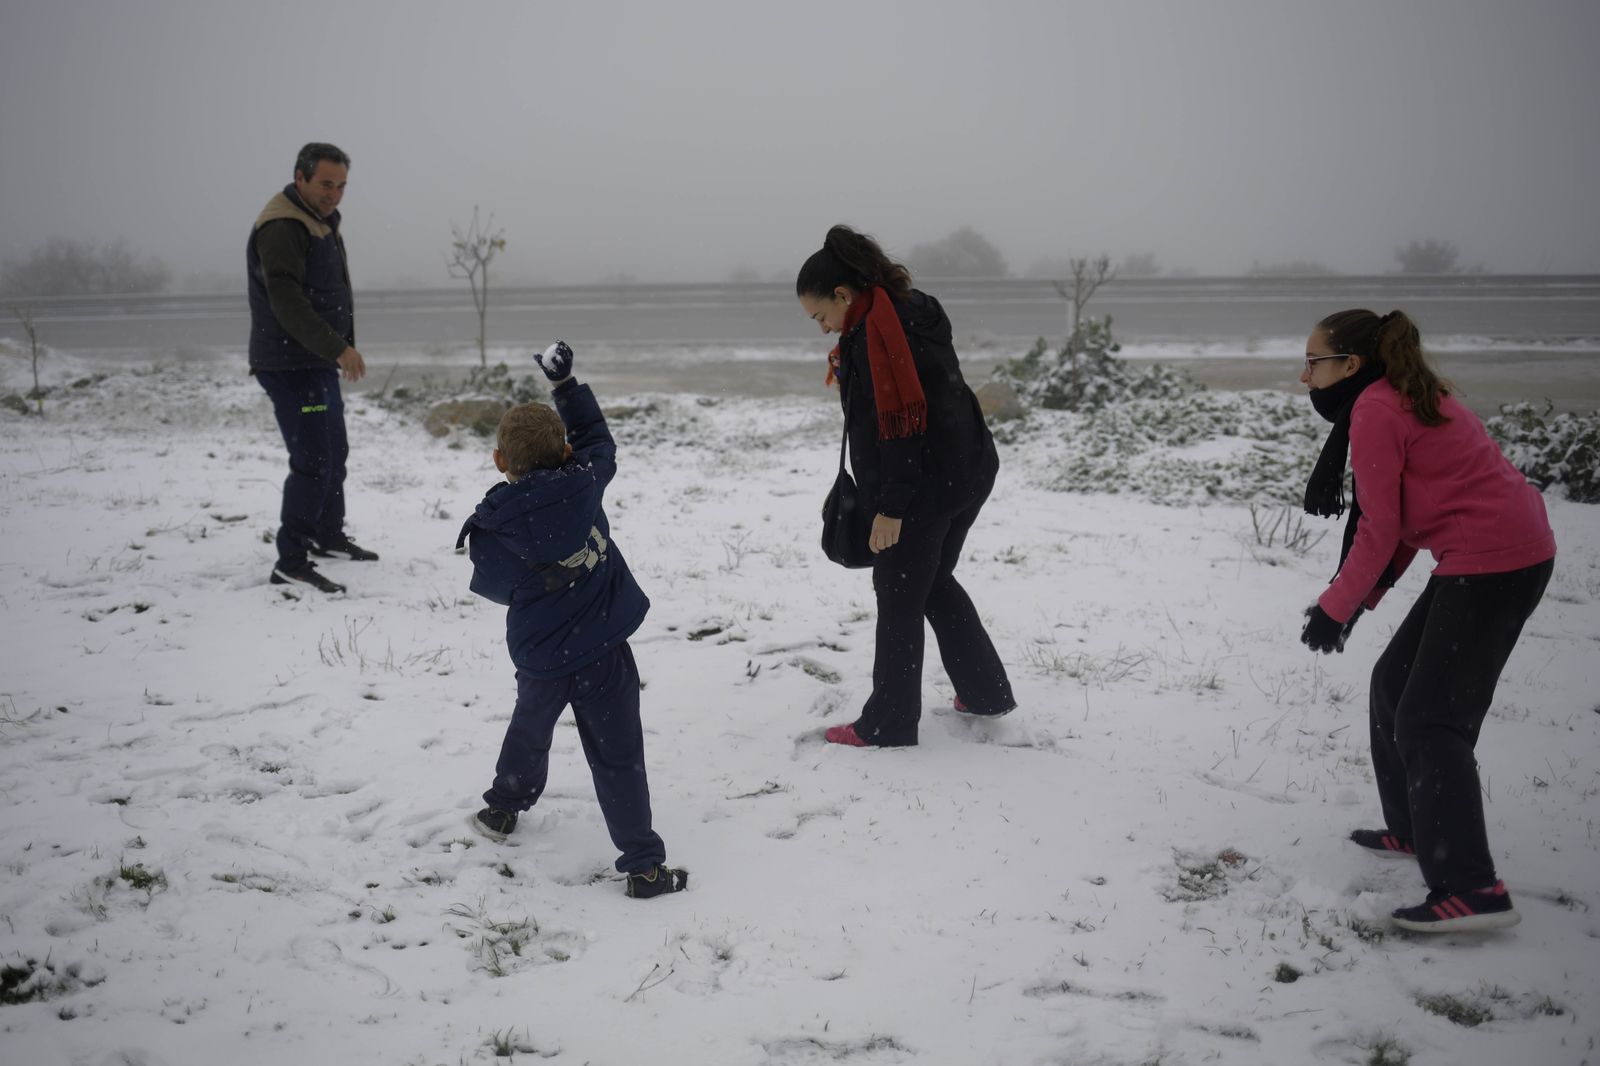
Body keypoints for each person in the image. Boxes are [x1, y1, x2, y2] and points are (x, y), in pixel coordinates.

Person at [1297, 308, 1556, 932]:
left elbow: (1381, 526)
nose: (1304, 378)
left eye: (1312, 363)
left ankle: (1472, 887)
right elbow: (1409, 519)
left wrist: (1334, 608)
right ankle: (1417, 829)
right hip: (1492, 552)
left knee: (1430, 720)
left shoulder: (1376, 410)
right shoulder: (1398, 395)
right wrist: (1357, 601)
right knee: (1393, 685)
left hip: (1495, 561)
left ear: (1350, 366)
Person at [455, 341, 686, 899]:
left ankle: (503, 808)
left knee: (528, 731)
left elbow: (496, 588)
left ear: (499, 461)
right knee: (618, 756)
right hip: (604, 652)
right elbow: (599, 441)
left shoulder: (494, 528)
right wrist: (565, 387)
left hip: (542, 658)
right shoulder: (585, 480)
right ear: (564, 451)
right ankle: (643, 867)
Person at [796, 225, 1015, 748]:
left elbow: (900, 430)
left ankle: (890, 722)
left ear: (843, 294)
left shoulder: (878, 341)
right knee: (932, 581)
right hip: (968, 469)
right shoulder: (913, 311)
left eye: (820, 316)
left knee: (898, 597)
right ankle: (984, 692)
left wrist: (891, 509)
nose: (823, 329)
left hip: (924, 487)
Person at [247, 141, 377, 595]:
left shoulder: (319, 220)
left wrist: (339, 347)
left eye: (341, 186)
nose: (334, 194)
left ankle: (326, 534)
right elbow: (288, 302)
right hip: (290, 365)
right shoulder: (283, 225)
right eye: (325, 184)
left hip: (315, 361)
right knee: (313, 461)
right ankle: (292, 560)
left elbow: (330, 293)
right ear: (299, 177)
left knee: (333, 451)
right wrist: (338, 348)